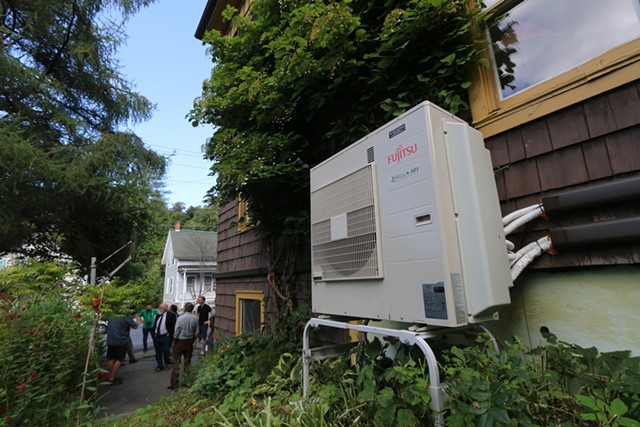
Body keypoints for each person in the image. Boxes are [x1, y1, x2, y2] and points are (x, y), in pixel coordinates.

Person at [168, 302, 199, 390]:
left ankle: (174, 384)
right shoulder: (195, 319)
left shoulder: (180, 318)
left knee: (176, 362)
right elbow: (197, 332)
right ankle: (186, 382)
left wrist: (174, 339)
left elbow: (177, 330)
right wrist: (193, 339)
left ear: (185, 308)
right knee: (187, 362)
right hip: (189, 341)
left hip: (179, 341)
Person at [106, 312, 141, 385]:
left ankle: (109, 377)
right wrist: (138, 321)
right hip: (120, 341)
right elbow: (134, 326)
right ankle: (112, 378)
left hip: (111, 340)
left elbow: (104, 318)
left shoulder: (111, 314)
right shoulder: (125, 316)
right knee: (119, 359)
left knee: (111, 358)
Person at [152, 303, 176, 372]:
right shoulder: (157, 315)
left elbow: (173, 325)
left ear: (165, 308)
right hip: (157, 336)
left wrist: (170, 333)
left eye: (160, 307)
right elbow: (155, 325)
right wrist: (154, 333)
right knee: (158, 351)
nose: (159, 308)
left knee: (166, 350)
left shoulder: (170, 315)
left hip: (166, 336)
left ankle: (167, 363)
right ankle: (160, 365)